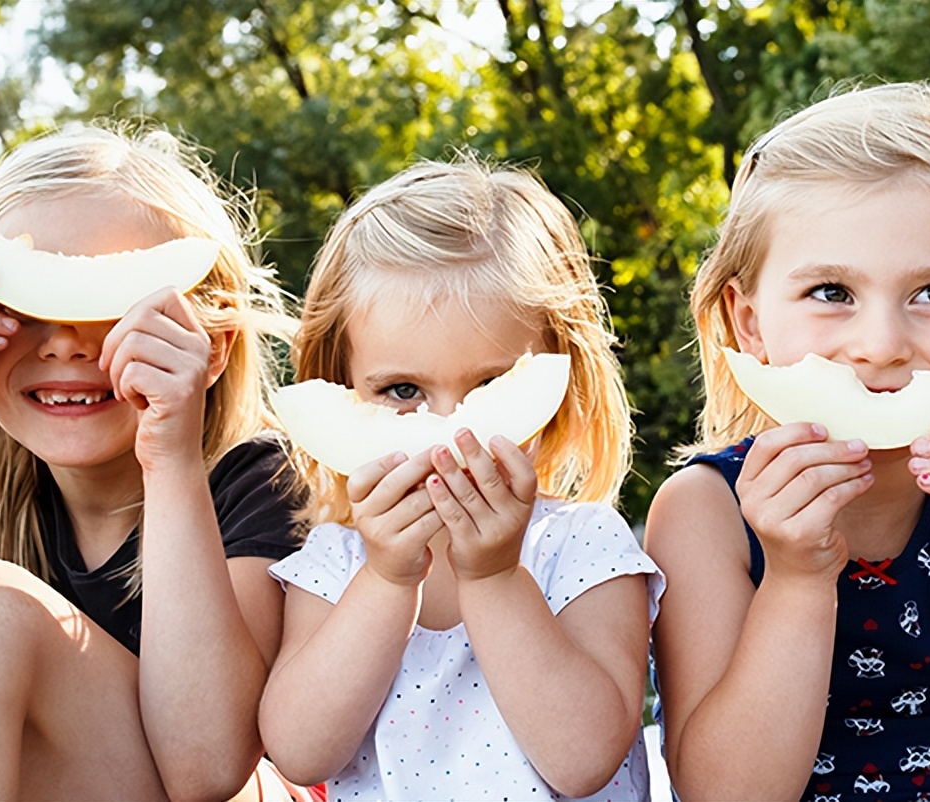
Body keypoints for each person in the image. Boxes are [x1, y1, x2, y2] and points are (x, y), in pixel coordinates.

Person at [0, 125, 311, 800]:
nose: (67, 344)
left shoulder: (261, 477)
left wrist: (169, 458)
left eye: (112, 308)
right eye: (25, 305)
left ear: (210, 347)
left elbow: (208, 767)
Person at [645, 82, 930, 801]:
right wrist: (794, 579)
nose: (881, 346)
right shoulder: (706, 514)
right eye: (830, 292)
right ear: (750, 323)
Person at [257, 157, 665, 801]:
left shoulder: (585, 545)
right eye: (402, 390)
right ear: (341, 386)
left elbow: (583, 759)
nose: (448, 431)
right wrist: (388, 578)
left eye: (490, 388)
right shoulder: (335, 564)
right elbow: (301, 751)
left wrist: (495, 576)